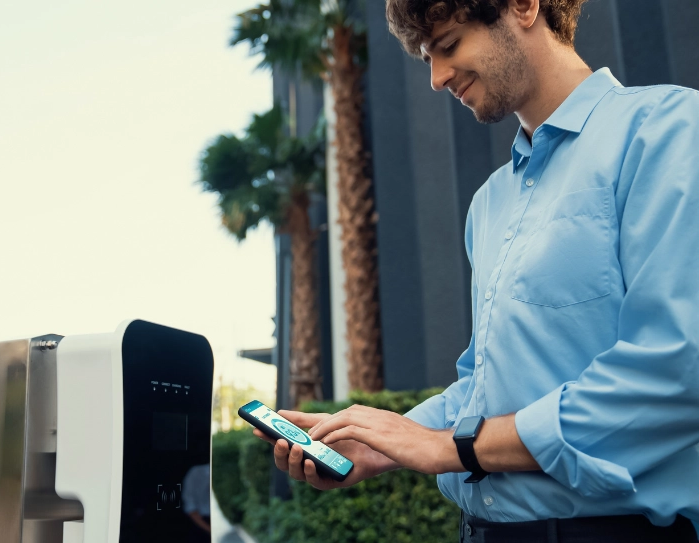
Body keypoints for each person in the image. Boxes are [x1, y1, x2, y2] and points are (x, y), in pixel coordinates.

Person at [255, 0, 699, 541]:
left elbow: (677, 372)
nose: (438, 78)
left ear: (524, 7)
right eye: (426, 59)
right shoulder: (488, 204)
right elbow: (483, 392)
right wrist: (380, 442)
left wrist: (451, 447)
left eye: (448, 46)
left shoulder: (667, 131)